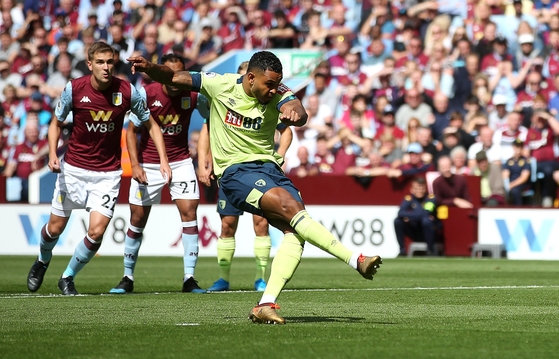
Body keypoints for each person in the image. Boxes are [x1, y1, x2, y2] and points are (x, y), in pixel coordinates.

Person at [129, 51, 381, 325]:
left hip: (270, 169)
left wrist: (294, 113)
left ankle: (265, 304)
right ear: (250, 78)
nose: (273, 90)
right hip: (236, 172)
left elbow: (299, 110)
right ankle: (355, 258)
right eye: (268, 85)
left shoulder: (278, 91)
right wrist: (149, 67)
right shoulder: (219, 83)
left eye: (277, 85)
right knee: (287, 209)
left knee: (295, 233)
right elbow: (174, 77)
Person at [27, 42, 171, 296]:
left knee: (96, 232)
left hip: (107, 173)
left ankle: (67, 276)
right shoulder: (74, 89)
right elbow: (55, 123)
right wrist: (52, 154)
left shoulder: (127, 91)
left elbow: (151, 124)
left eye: (111, 62)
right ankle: (42, 260)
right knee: (54, 229)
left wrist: (163, 159)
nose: (106, 67)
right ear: (90, 64)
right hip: (73, 170)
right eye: (101, 62)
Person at [110, 54, 209, 295]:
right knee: (137, 219)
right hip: (148, 163)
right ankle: (127, 276)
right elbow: (131, 131)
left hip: (181, 161)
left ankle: (189, 278)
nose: (175, 79)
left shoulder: (193, 94)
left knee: (190, 213)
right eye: (170, 74)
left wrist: (207, 158)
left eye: (179, 74)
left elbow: (211, 120)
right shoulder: (147, 93)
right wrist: (135, 166)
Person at [201, 61, 294, 293]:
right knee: (227, 224)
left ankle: (260, 278)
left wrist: (280, 156)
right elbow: (207, 128)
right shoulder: (225, 97)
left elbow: (286, 131)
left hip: (259, 170)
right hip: (231, 171)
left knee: (261, 223)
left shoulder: (267, 102)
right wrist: (205, 160)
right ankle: (223, 278)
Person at [394, 177, 438, 256]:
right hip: (414, 230)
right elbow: (400, 213)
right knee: (398, 221)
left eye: (422, 188)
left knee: (426, 221)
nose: (420, 191)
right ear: (412, 190)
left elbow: (426, 213)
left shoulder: (431, 198)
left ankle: (430, 250)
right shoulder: (409, 199)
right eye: (417, 189)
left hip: (429, 230)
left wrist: (409, 217)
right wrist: (415, 217)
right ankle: (402, 251)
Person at [502, 139, 532, 205]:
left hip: (522, 184)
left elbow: (524, 178)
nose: (518, 150)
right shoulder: (509, 161)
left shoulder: (526, 161)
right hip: (510, 183)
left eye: (520, 147)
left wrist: (511, 185)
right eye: (517, 147)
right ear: (513, 147)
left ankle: (518, 209)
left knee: (515, 191)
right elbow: (505, 174)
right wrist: (506, 185)